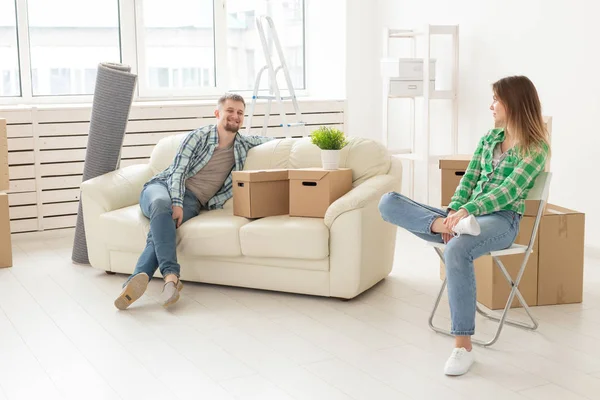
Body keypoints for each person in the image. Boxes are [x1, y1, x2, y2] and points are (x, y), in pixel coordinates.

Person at [378, 75, 550, 376]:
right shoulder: (489, 139)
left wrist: (470, 209)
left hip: (501, 219)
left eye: (496, 99)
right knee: (387, 202)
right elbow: (468, 180)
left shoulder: (536, 148)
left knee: (457, 248)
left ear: (513, 102)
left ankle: (463, 347)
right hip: (465, 217)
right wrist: (456, 211)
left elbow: (508, 191)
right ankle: (444, 224)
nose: (491, 105)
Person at [114, 93, 273, 310]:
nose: (235, 116)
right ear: (217, 113)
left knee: (161, 228)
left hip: (193, 201)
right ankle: (171, 276)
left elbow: (274, 141)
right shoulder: (198, 136)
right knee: (163, 207)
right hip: (162, 187)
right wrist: (177, 202)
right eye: (230, 111)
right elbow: (178, 171)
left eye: (240, 113)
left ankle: (136, 280)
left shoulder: (243, 146)